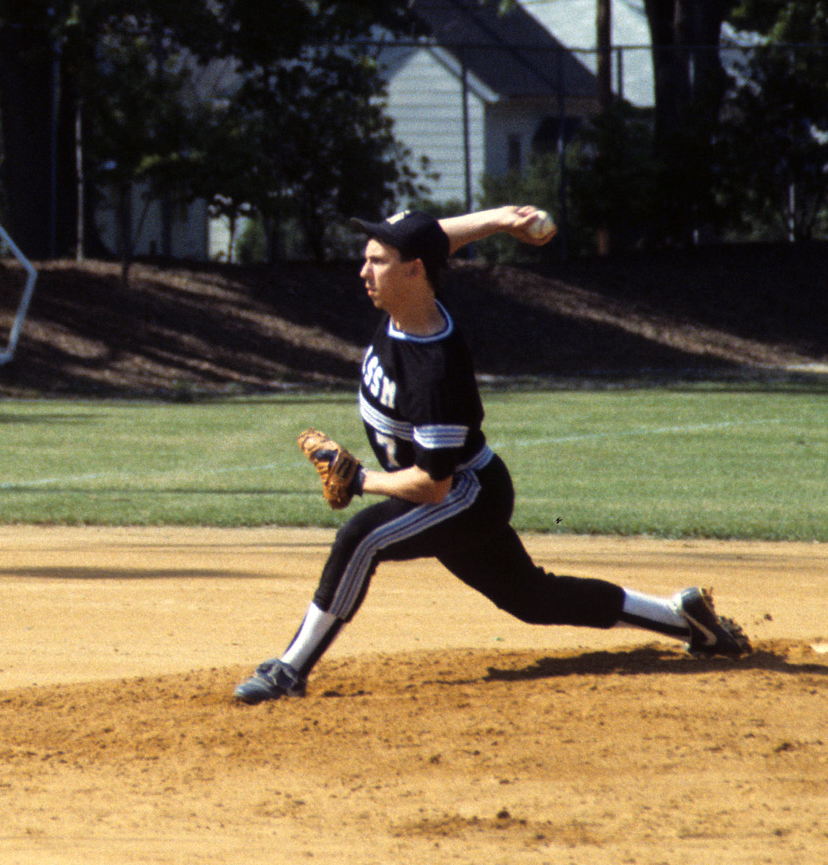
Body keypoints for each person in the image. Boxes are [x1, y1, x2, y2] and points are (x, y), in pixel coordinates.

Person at [234, 206, 750, 705]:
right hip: (455, 490)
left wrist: (359, 480)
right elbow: (438, 238)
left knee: (359, 539)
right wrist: (500, 220)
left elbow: (432, 486)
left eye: (377, 261)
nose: (363, 271)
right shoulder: (408, 305)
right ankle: (686, 621)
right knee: (531, 599)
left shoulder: (434, 370)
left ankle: (290, 669)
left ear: (413, 271)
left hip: (465, 496)